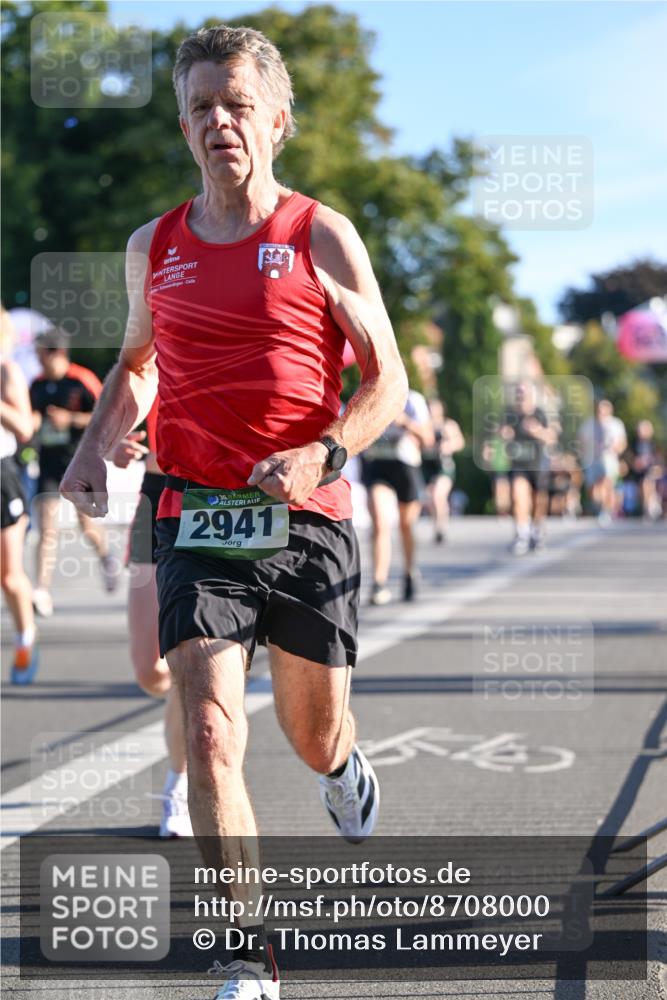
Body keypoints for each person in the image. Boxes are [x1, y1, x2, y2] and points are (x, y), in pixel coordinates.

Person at [60, 24, 407, 1000]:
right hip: (195, 514)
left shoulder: (320, 234)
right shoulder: (154, 245)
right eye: (203, 107)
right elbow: (135, 364)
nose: (220, 121)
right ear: (183, 125)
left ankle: (342, 768)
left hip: (308, 514)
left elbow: (388, 379)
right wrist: (96, 446)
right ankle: (245, 956)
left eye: (238, 104)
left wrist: (324, 448)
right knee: (209, 730)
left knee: (309, 733)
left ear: (277, 120)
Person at [112, 399, 191, 837]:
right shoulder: (151, 348)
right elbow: (117, 406)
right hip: (157, 493)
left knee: (189, 661)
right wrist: (113, 441)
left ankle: (179, 783)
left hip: (219, 495)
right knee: (152, 672)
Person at [29, 328, 119, 617]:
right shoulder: (37, 384)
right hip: (49, 463)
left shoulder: (82, 379)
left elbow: (105, 415)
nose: (36, 358)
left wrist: (70, 419)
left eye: (40, 352)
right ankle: (41, 589)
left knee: (87, 525)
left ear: (56, 352)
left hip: (80, 461)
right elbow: (31, 418)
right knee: (47, 526)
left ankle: (106, 556)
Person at [361, 387, 433, 604]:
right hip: (378, 466)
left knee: (406, 525)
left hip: (405, 467)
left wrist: (405, 423)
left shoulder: (413, 399)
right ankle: (378, 583)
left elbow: (428, 439)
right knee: (380, 523)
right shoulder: (368, 394)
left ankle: (410, 571)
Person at [1, 308, 39, 683]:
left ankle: (26, 637)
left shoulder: (7, 371)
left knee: (9, 577)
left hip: (3, 475)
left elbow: (25, 427)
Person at [500, 382, 557, 555]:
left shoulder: (539, 414)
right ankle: (521, 534)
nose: (521, 398)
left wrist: (537, 431)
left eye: (524, 394)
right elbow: (500, 433)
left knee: (539, 500)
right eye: (518, 394)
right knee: (519, 496)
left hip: (538, 464)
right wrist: (503, 435)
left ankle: (537, 530)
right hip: (518, 464)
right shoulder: (510, 414)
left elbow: (551, 438)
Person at [421, 398, 464, 544]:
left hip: (444, 466)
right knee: (431, 498)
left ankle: (441, 527)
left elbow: (460, 442)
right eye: (430, 408)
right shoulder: (423, 425)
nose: (433, 412)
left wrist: (448, 446)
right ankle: (436, 525)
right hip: (427, 465)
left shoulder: (448, 425)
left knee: (439, 495)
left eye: (436, 408)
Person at [578, 399, 627, 525]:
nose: (601, 412)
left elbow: (622, 443)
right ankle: (601, 505)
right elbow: (580, 442)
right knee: (593, 492)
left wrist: (616, 448)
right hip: (591, 461)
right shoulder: (588, 425)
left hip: (608, 460)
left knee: (607, 483)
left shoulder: (616, 424)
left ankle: (606, 512)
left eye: (604, 410)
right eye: (599, 410)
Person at [630, 419, 661, 521]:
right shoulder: (634, 444)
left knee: (647, 483)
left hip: (650, 470)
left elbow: (657, 460)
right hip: (638, 471)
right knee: (642, 488)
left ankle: (648, 507)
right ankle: (646, 506)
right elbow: (630, 458)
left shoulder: (652, 444)